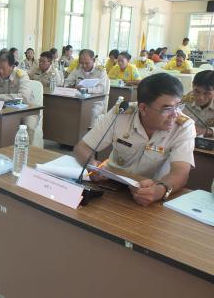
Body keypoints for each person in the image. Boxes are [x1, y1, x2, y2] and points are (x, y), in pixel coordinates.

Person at [74, 73, 196, 206]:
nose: (175, 114)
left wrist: (160, 190)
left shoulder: (184, 126)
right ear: (143, 108)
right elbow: (82, 147)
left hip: (151, 192)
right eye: (167, 108)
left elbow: (181, 172)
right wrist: (92, 165)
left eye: (178, 105)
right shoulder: (121, 113)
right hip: (111, 184)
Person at [0, 51, 38, 144]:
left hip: (26, 110)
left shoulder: (22, 76)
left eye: (3, 68)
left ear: (12, 66)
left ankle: (27, 152)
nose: (0, 71)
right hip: (5, 110)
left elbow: (23, 98)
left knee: (28, 126)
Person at [64, 49, 110, 120]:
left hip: (95, 102)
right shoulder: (77, 70)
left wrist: (86, 90)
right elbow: (67, 82)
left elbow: (101, 88)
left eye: (87, 63)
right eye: (81, 63)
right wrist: (70, 86)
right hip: (78, 100)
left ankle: (89, 131)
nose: (84, 66)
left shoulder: (101, 71)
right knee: (65, 109)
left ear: (93, 60)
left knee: (91, 113)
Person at [182, 70, 214, 137]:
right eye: (197, 91)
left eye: (207, 93)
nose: (200, 97)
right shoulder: (183, 101)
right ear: (192, 85)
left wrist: (208, 130)